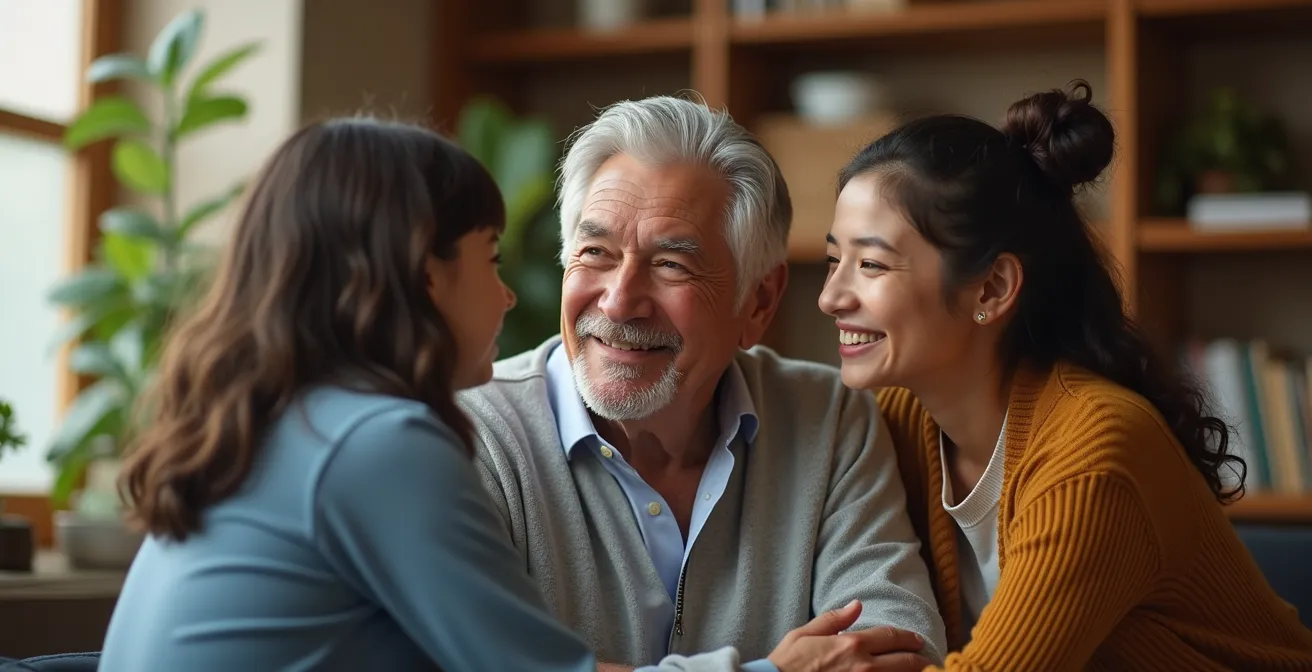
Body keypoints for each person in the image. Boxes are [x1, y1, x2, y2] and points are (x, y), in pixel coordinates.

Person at [819, 80, 1312, 670]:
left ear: (992, 288)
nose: (830, 297)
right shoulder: (897, 421)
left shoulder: (1095, 454)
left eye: (871, 264)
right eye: (833, 260)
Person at [458, 95, 947, 672]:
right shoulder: (469, 434)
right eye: (595, 253)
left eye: (671, 265)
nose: (618, 301)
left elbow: (900, 652)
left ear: (758, 302)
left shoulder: (830, 419)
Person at [100, 117, 607, 671]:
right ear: (426, 272)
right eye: (491, 258)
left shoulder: (283, 423)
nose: (508, 296)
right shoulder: (376, 443)